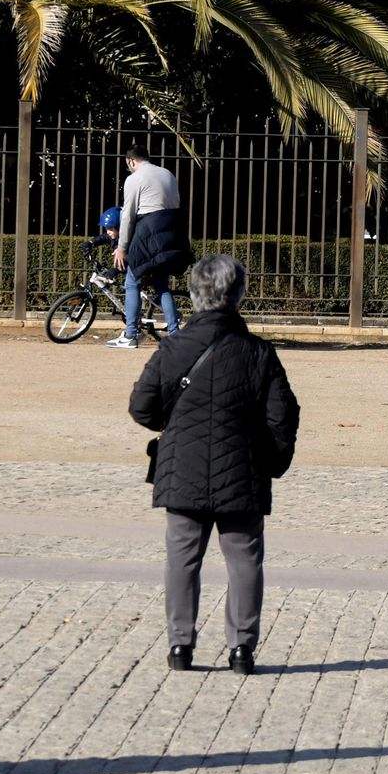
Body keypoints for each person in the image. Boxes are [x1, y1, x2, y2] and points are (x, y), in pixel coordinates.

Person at [129, 254, 299, 675]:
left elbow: (141, 407)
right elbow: (284, 415)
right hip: (243, 468)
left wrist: (173, 423)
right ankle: (242, 648)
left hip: (182, 467)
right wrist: (273, 462)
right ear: (238, 295)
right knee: (244, 559)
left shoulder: (172, 348)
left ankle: (179, 646)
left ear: (193, 294)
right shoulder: (258, 352)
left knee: (182, 559)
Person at [109, 144, 192, 349]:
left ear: (131, 161)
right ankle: (174, 334)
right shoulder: (168, 174)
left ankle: (131, 334)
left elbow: (127, 216)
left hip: (148, 230)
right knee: (161, 284)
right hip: (172, 230)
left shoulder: (134, 179)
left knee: (132, 282)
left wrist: (122, 247)